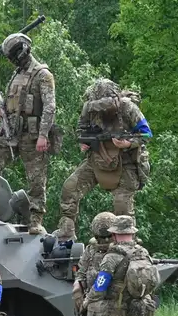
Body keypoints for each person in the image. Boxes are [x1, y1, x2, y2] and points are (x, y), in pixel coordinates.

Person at [0, 32, 57, 234]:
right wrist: (1, 110)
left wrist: (43, 135)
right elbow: (14, 101)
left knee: (36, 181)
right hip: (10, 133)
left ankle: (36, 220)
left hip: (32, 136)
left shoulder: (42, 74)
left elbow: (50, 107)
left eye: (13, 55)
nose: (11, 60)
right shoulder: (17, 74)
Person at [56, 79, 153, 240]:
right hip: (97, 157)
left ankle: (126, 241)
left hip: (125, 161)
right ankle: (66, 231)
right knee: (70, 188)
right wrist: (84, 142)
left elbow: (146, 134)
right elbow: (81, 129)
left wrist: (128, 143)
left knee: (122, 205)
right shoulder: (89, 109)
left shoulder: (128, 108)